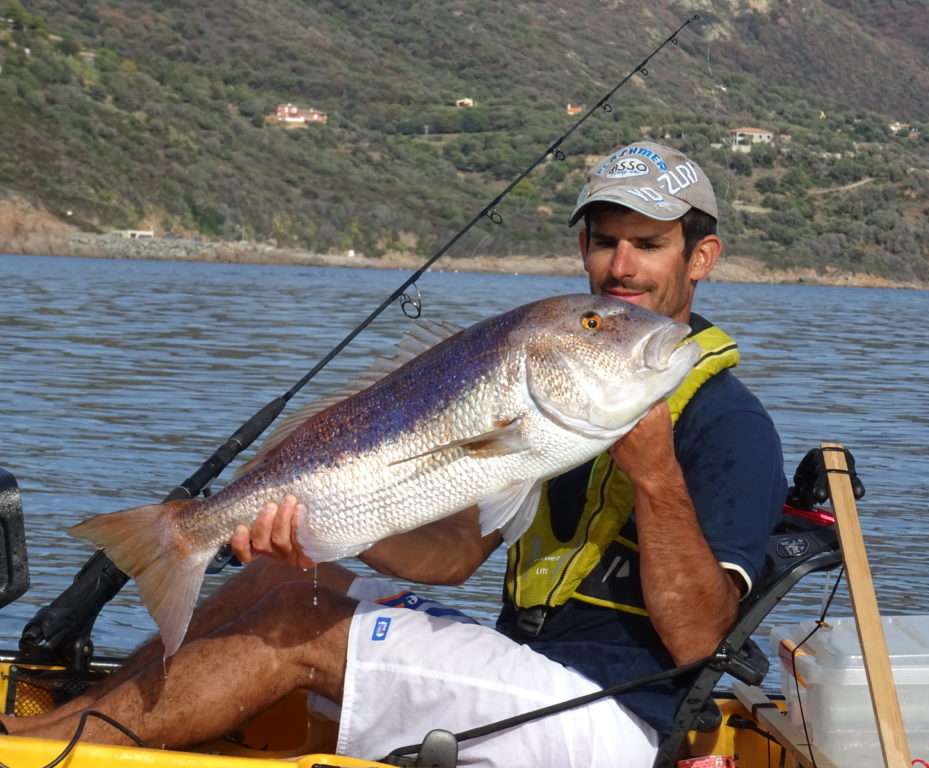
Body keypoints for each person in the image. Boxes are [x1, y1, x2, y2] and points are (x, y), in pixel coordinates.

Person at [1, 141, 786, 766]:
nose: (622, 267)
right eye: (605, 242)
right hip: (521, 677)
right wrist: (332, 519)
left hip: (611, 721)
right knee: (286, 577)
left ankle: (42, 755)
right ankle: (48, 736)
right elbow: (450, 560)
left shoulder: (728, 427)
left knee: (303, 629)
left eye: (649, 244)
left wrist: (655, 480)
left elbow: (698, 642)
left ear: (701, 257)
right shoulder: (571, 404)